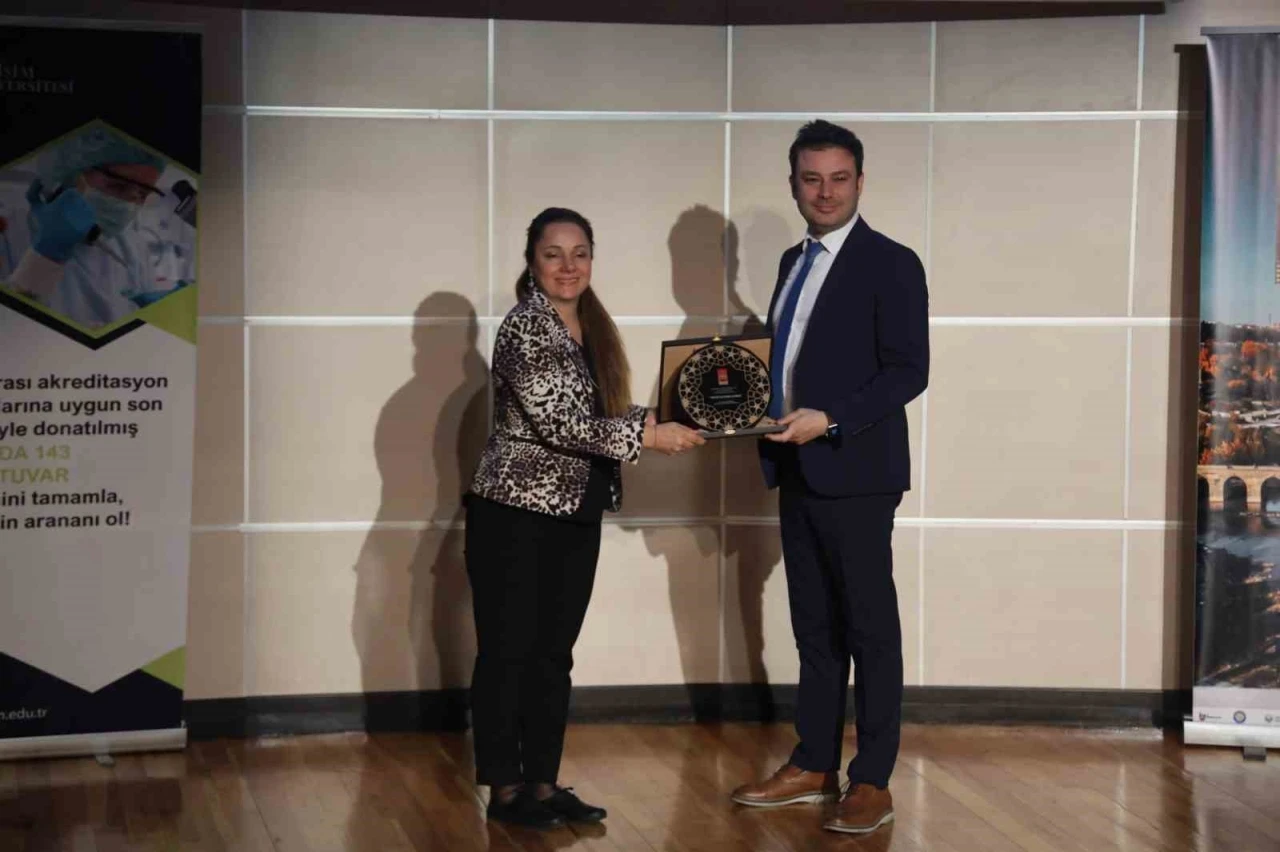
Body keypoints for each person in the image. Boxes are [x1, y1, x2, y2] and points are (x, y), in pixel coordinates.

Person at [465, 207, 704, 829]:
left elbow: (600, 413)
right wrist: (647, 437)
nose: (568, 266)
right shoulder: (526, 327)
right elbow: (560, 424)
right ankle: (505, 791)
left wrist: (679, 414)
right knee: (508, 653)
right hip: (515, 514)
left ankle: (543, 785)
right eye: (554, 254)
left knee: (553, 655)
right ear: (532, 262)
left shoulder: (591, 326)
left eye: (580, 253)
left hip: (574, 511)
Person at [729, 120, 929, 836]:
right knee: (813, 627)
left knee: (869, 629)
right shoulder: (793, 260)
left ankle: (870, 778)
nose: (825, 192)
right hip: (796, 466)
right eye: (811, 179)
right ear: (794, 184)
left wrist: (832, 419)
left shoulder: (892, 263)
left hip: (859, 472)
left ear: (860, 182)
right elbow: (788, 359)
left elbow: (909, 370)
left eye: (839, 178)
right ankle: (814, 763)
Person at [3, 124, 192, 328]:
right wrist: (44, 258)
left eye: (142, 194)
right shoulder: (9, 234)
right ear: (68, 175)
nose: (129, 204)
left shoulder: (132, 248)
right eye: (118, 186)